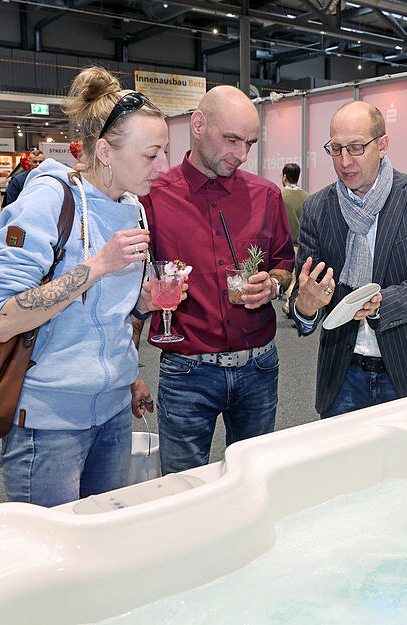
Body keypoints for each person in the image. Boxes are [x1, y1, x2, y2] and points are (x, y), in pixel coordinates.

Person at [0, 67, 175, 507]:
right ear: (105, 151)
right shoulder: (49, 199)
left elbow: (107, 317)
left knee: (101, 544)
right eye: (152, 155)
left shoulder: (132, 207)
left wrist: (130, 370)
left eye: (165, 152)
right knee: (52, 557)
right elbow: (3, 318)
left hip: (113, 413)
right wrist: (100, 264)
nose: (164, 167)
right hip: (49, 423)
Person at [140, 85, 295, 476]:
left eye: (250, 143)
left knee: (253, 482)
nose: (241, 155)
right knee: (181, 488)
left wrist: (272, 285)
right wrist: (127, 373)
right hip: (186, 371)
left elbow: (283, 264)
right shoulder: (153, 198)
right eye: (231, 140)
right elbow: (134, 287)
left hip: (259, 367)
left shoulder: (267, 196)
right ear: (198, 124)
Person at [290, 100, 407, 418]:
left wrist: (380, 303)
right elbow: (307, 292)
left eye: (355, 148)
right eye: (336, 149)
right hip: (342, 372)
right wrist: (305, 307)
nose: (344, 161)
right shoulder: (317, 208)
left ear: (382, 145)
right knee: (343, 465)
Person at [280, 162, 309, 316]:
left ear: (285, 177)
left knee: (290, 282)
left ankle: (292, 307)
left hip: (288, 246)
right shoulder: (308, 197)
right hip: (305, 246)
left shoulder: (280, 197)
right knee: (300, 281)